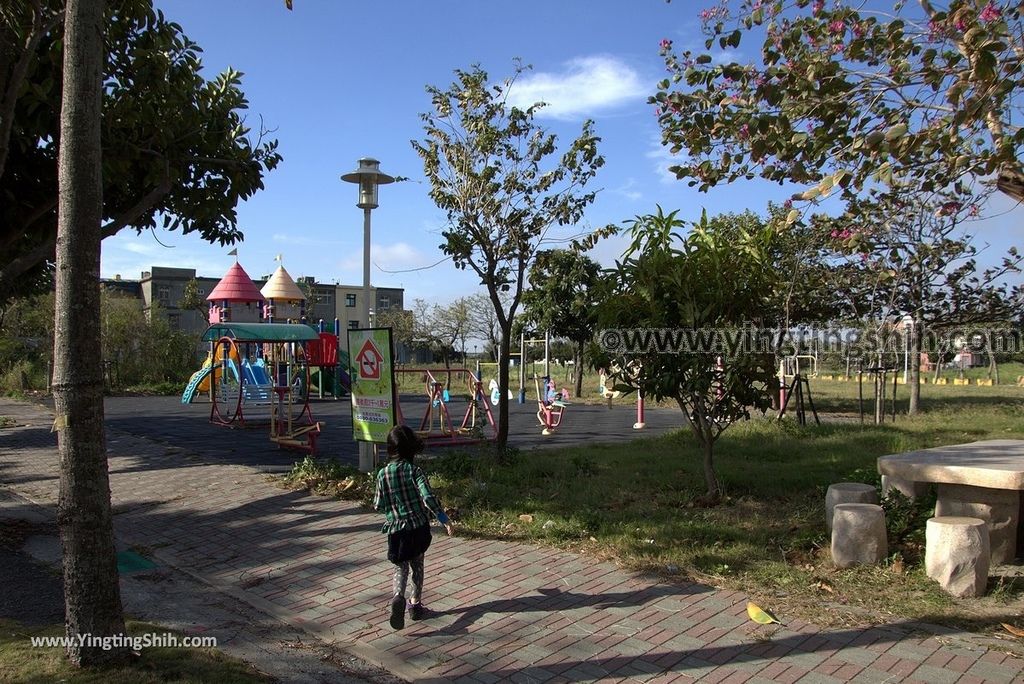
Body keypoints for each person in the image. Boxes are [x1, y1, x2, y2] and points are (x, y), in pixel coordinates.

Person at [373, 425, 454, 630]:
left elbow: (378, 504)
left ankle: (398, 596)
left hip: (396, 530)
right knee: (417, 566)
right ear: (411, 449)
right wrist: (443, 517)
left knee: (400, 566)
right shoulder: (414, 471)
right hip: (417, 527)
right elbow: (427, 497)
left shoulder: (383, 474)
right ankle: (415, 604)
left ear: (390, 449)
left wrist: (393, 507)